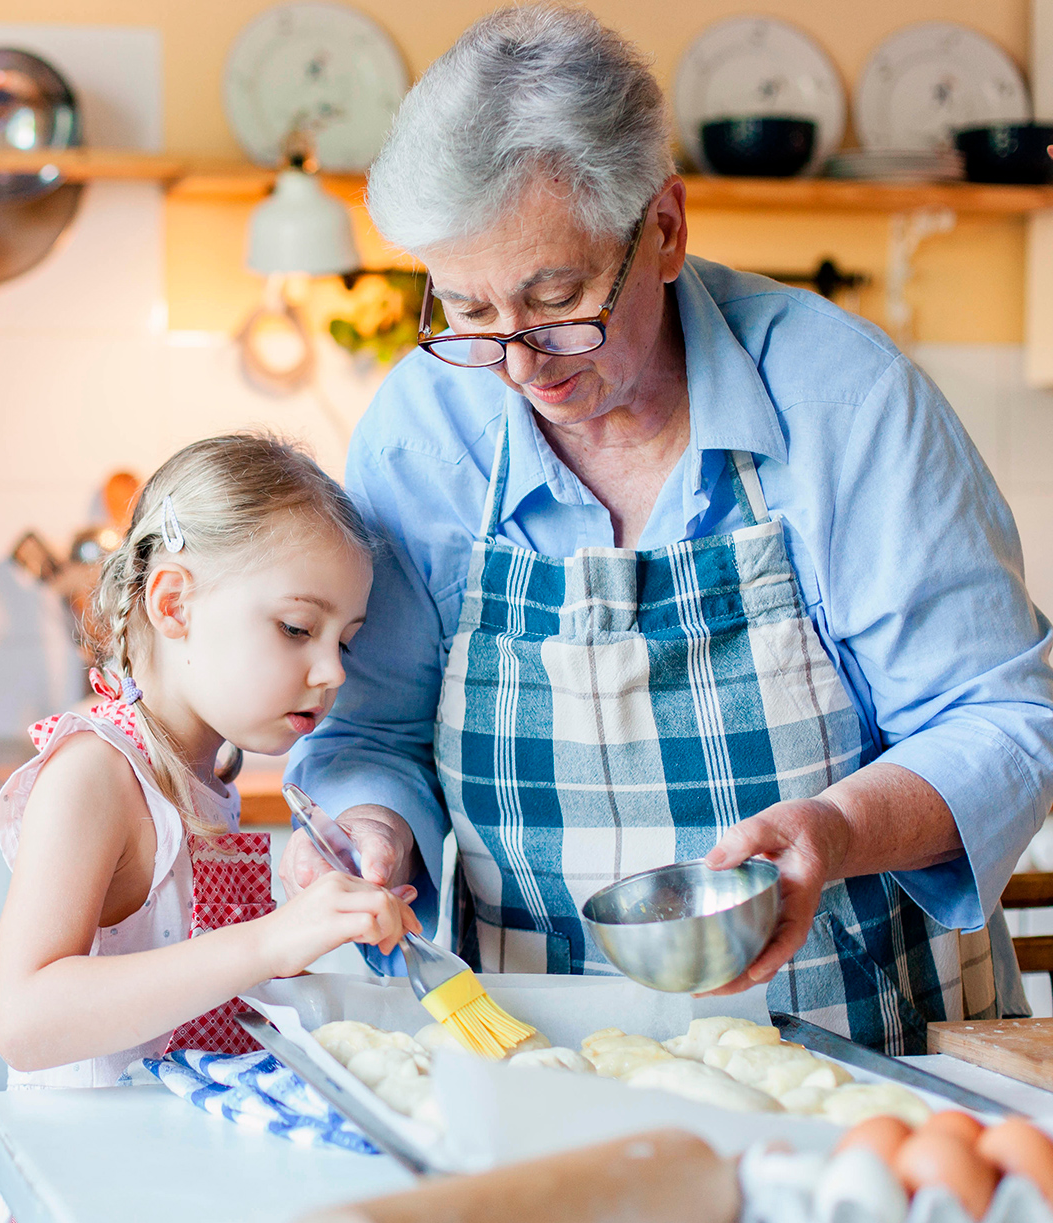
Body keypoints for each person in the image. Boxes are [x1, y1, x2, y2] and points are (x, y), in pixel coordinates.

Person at [282, 5, 1053, 1055]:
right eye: (468, 312)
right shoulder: (425, 432)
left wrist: (836, 830)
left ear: (666, 228)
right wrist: (369, 832)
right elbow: (371, 735)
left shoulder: (847, 401)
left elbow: (1003, 720)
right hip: (539, 1054)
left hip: (863, 1046)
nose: (520, 365)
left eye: (557, 300)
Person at [0, 434, 420, 1223]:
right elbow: (25, 1019)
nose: (333, 671)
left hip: (171, 1188)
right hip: (82, 1201)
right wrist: (269, 940)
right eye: (297, 628)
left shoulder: (203, 774)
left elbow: (187, 992)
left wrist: (309, 940)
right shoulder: (97, 773)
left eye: (345, 640)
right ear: (174, 604)